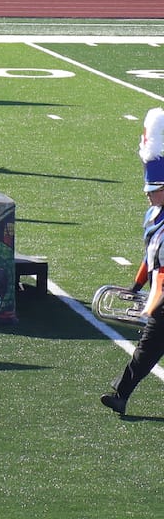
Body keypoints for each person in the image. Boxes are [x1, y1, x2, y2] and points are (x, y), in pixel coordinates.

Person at [102, 108, 164, 416]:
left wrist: (153, 301)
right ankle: (120, 395)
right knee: (145, 352)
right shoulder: (154, 217)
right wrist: (136, 285)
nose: (148, 195)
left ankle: (120, 394)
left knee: (146, 350)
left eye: (154, 190)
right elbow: (151, 257)